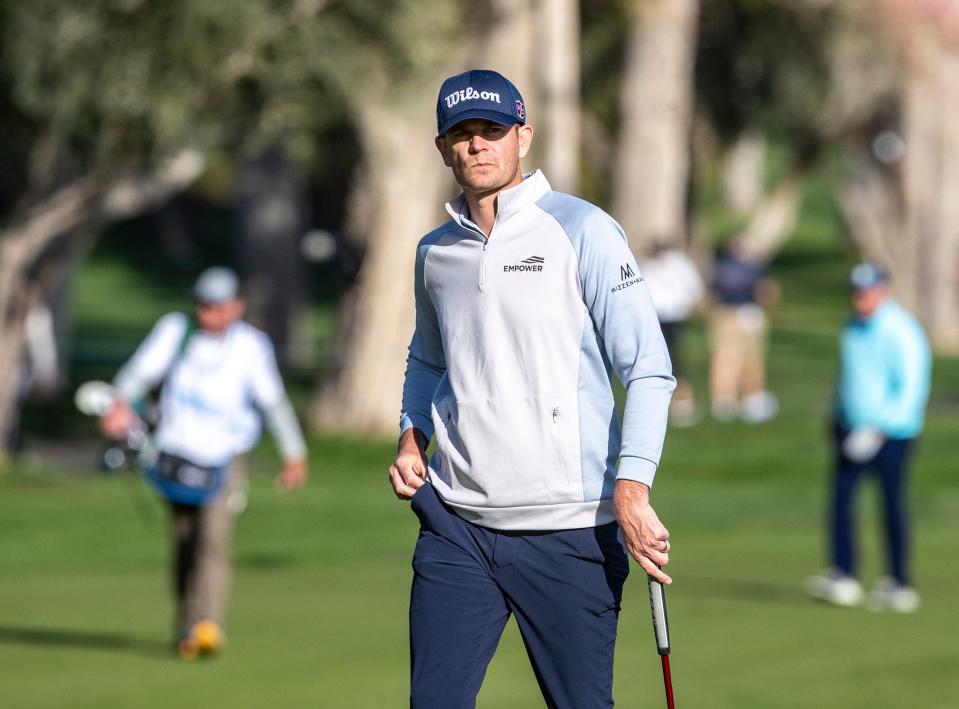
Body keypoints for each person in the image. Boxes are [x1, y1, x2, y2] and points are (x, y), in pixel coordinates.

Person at [389, 69, 675, 708]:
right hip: (456, 524)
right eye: (461, 135)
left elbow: (649, 369)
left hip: (570, 530)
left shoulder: (584, 230)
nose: (477, 146)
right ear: (442, 148)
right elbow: (428, 359)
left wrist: (632, 486)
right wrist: (413, 437)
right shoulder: (435, 253)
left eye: (492, 131)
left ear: (524, 137)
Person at [99, 266, 308, 658]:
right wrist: (116, 405)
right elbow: (138, 375)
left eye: (216, 307)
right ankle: (187, 623)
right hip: (173, 453)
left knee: (213, 540)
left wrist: (293, 452)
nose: (207, 314)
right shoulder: (176, 331)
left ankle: (208, 623)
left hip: (225, 458)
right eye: (203, 305)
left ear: (236, 307)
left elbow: (273, 403)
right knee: (184, 541)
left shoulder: (251, 346)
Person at [807, 263, 931, 613]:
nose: (861, 298)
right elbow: (849, 379)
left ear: (883, 291)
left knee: (891, 504)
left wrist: (878, 429)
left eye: (867, 291)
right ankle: (843, 575)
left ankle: (899, 582)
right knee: (841, 500)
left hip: (892, 434)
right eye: (857, 292)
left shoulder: (901, 330)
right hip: (851, 429)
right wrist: (837, 416)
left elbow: (910, 389)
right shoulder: (851, 328)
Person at [708, 234, 779, 423]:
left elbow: (711, 294)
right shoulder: (753, 268)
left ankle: (727, 399)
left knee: (732, 357)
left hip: (730, 313)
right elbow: (767, 292)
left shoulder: (722, 267)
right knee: (746, 357)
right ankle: (744, 398)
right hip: (745, 314)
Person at [641, 241, 705, 426]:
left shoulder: (676, 263)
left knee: (674, 359)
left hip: (673, 316)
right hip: (656, 317)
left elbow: (692, 286)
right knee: (659, 360)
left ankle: (681, 400)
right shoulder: (647, 265)